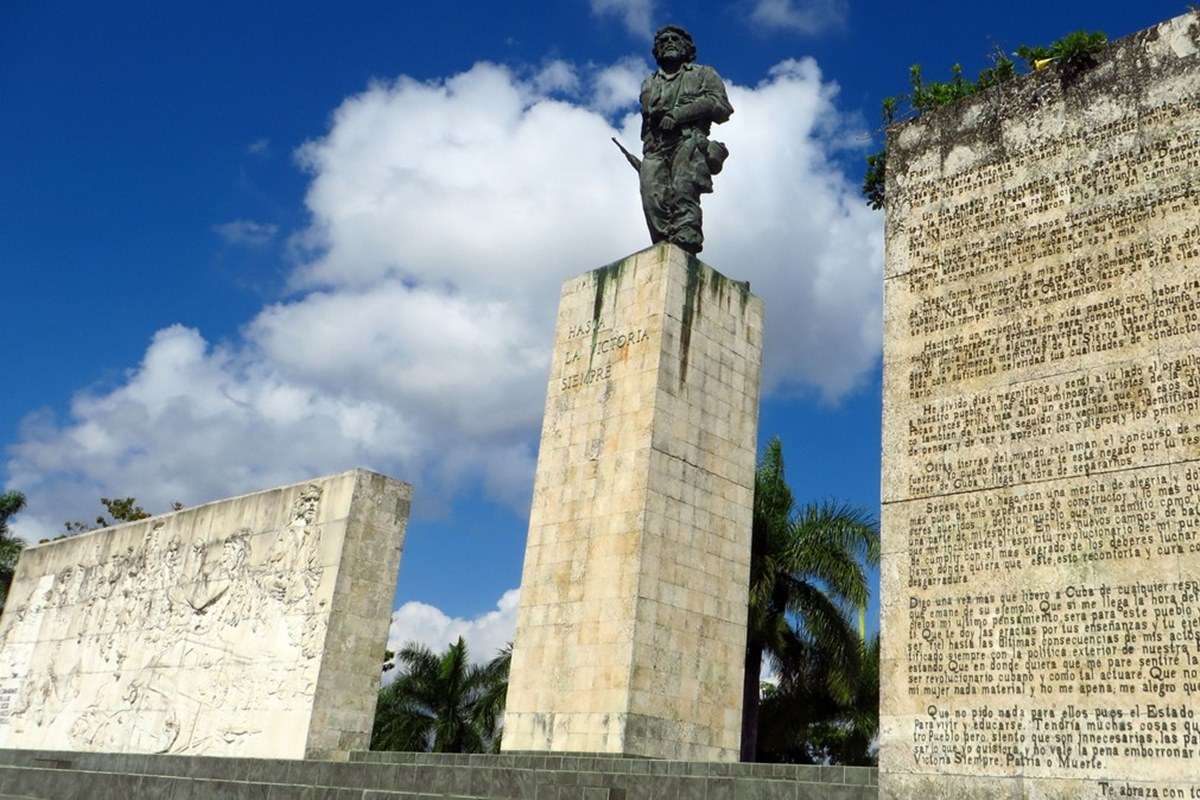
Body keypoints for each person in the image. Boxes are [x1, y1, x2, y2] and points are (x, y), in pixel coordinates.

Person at [638, 25, 733, 254]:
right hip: (656, 148)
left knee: (684, 191)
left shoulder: (703, 74)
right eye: (663, 40)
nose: (669, 42)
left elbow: (722, 108)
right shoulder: (650, 82)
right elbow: (648, 112)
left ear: (686, 47)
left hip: (688, 142)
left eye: (675, 39)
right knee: (651, 195)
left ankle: (685, 243)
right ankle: (663, 244)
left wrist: (679, 115)